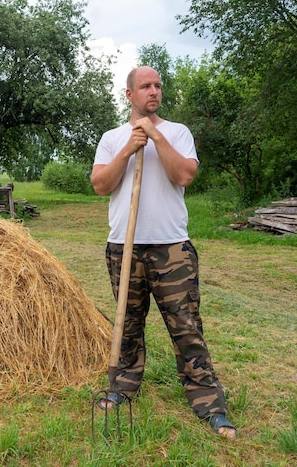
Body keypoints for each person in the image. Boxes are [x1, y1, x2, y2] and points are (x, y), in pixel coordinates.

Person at [90, 65, 236, 439]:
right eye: (145, 86)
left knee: (186, 327)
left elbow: (184, 175)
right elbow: (100, 185)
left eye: (158, 85)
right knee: (127, 326)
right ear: (129, 95)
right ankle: (121, 386)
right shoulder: (111, 138)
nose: (154, 91)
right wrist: (129, 148)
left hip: (171, 248)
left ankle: (208, 401)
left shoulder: (177, 133)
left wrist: (155, 137)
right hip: (123, 247)